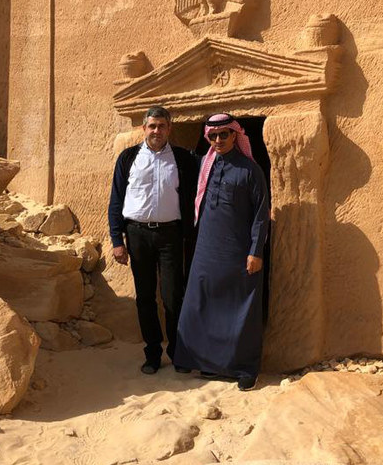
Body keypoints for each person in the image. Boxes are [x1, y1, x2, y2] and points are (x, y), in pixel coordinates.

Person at [173, 113, 270, 391]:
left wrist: (255, 251)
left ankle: (245, 369)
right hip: (206, 248)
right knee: (201, 301)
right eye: (213, 136)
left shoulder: (250, 170)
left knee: (241, 308)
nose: (218, 140)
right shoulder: (206, 165)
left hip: (239, 250)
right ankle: (207, 362)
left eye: (223, 134)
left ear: (234, 135)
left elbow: (261, 214)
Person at [108, 106, 197, 374]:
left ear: (169, 128)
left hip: (170, 235)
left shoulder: (182, 158)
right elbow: (116, 199)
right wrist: (117, 239)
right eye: (152, 126)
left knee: (173, 296)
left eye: (162, 126)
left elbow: (197, 190)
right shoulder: (128, 158)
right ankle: (153, 353)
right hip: (137, 235)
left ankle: (178, 352)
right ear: (143, 128)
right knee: (145, 296)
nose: (157, 131)